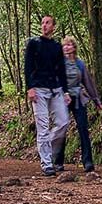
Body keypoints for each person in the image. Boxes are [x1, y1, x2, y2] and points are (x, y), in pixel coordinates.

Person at [24, 14, 70, 176]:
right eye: (42, 23)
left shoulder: (57, 46)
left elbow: (61, 70)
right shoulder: (33, 44)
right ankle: (47, 164)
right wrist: (30, 87)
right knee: (42, 127)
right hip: (38, 90)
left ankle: (46, 145)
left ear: (53, 27)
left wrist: (65, 91)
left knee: (63, 122)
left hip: (56, 89)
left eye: (48, 23)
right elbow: (28, 66)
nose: (44, 25)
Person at [53, 36, 102, 173]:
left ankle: (88, 162)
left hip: (78, 98)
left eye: (69, 45)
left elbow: (88, 82)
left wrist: (96, 100)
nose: (67, 47)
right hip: (62, 98)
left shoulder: (80, 64)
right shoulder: (59, 63)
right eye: (64, 45)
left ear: (74, 47)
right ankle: (57, 162)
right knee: (62, 128)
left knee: (83, 129)